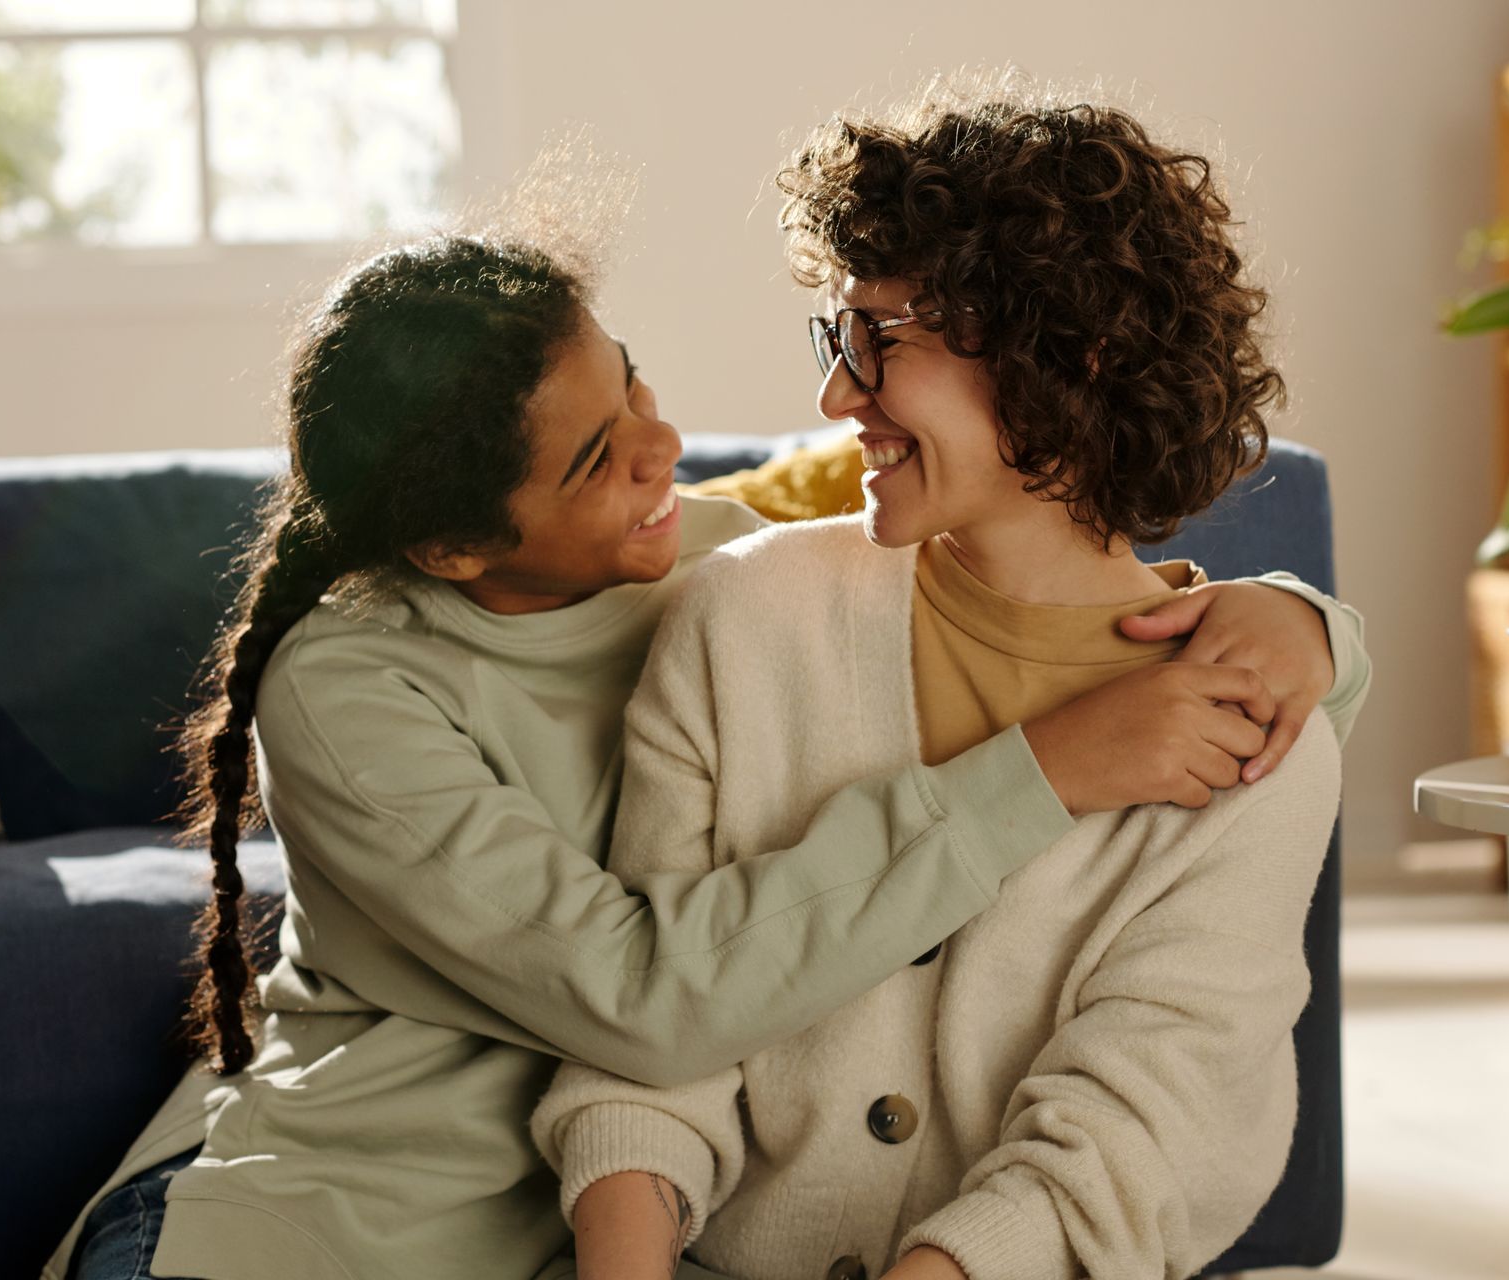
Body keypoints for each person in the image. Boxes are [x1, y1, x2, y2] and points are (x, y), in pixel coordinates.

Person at [47, 226, 1368, 1280]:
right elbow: (645, 995)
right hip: (321, 1225)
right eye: (593, 459)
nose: (663, 450)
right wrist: (1046, 771)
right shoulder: (347, 686)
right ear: (458, 548)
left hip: (611, 1218)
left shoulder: (708, 563)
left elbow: (1012, 585)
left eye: (633, 382)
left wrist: (1302, 627)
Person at [533, 87, 1359, 1280]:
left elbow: (1126, 1147)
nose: (835, 397)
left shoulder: (1258, 741)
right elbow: (653, 1027)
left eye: (883, 341)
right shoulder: (743, 620)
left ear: (1063, 354)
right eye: (837, 337)